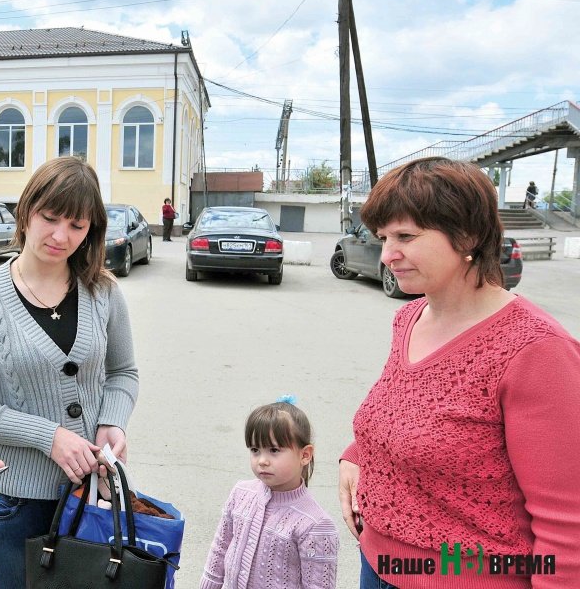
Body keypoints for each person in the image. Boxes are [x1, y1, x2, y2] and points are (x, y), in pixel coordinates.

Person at [338, 157, 580, 589]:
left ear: (466, 235)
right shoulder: (410, 317)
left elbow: (568, 525)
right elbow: (403, 411)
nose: (388, 254)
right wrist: (358, 455)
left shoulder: (536, 350)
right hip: (375, 567)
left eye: (406, 236)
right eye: (383, 237)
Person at [0, 156, 139, 589]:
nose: (60, 236)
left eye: (77, 225)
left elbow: (124, 372)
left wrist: (112, 421)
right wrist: (49, 436)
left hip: (93, 495)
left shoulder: (103, 290)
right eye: (50, 218)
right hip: (16, 504)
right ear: (26, 211)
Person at [200, 399, 339, 589]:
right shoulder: (241, 493)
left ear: (305, 455)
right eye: (255, 450)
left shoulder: (315, 524)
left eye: (274, 450)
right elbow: (220, 548)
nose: (262, 460)